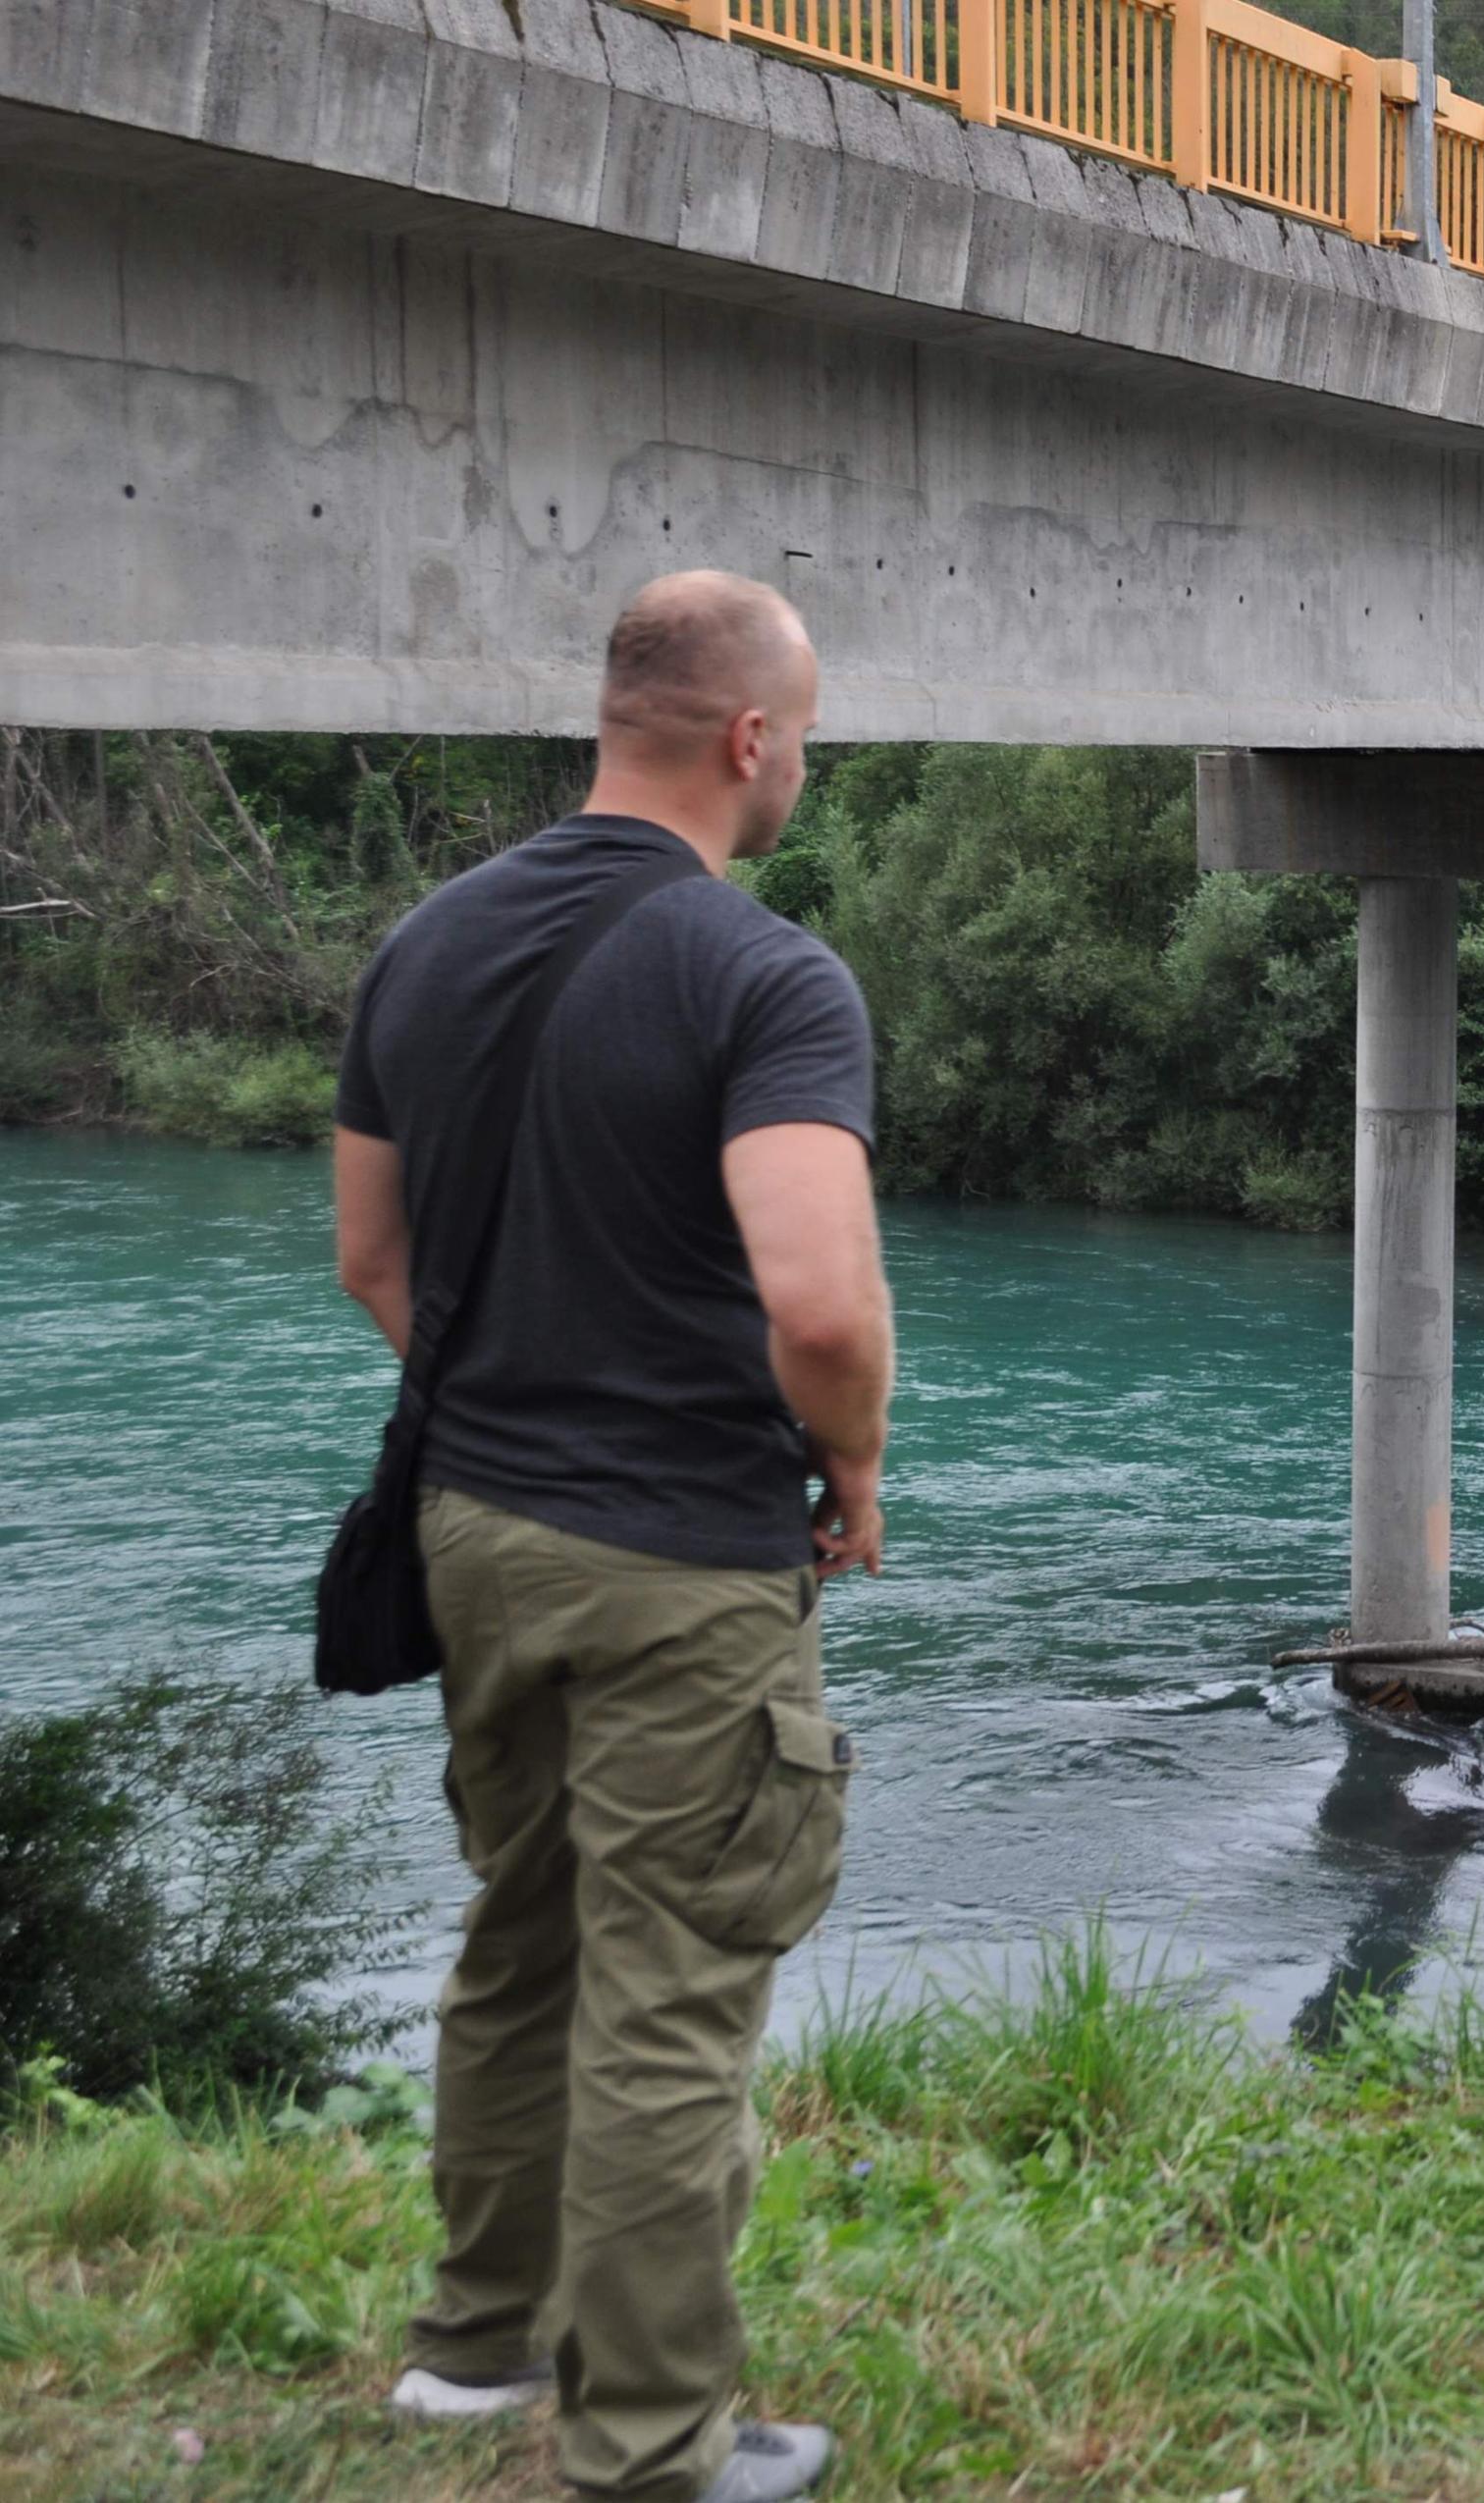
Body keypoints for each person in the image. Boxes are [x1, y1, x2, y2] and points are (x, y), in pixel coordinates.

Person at [332, 573, 890, 2503]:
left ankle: (472, 2356)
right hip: (680, 1562)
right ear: (749, 741)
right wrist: (858, 1467)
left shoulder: (424, 945)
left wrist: (510, 1413)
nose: (803, 763)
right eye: (803, 734)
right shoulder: (764, 977)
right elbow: (818, 1308)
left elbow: (372, 1261)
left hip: (474, 1526)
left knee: (522, 1936)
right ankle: (651, 2447)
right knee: (670, 1992)